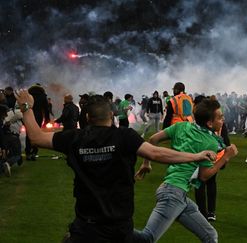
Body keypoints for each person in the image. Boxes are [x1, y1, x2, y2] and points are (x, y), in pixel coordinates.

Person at [14, 90, 217, 242]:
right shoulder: (124, 136)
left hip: (86, 228)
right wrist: (195, 155)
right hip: (119, 229)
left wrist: (26, 107)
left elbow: (36, 137)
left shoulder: (75, 138)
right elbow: (156, 153)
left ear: (87, 118)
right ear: (111, 117)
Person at [133, 98, 238, 243]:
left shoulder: (181, 126)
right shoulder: (210, 142)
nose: (223, 119)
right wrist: (225, 157)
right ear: (209, 123)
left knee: (210, 235)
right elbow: (204, 176)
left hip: (176, 193)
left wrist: (146, 163)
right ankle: (110, 228)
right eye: (220, 117)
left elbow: (153, 139)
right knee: (147, 238)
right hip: (173, 194)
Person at [26, 84, 50, 161]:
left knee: (28, 134)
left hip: (28, 115)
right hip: (38, 117)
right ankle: (34, 152)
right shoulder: (43, 96)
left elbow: (24, 107)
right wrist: (47, 119)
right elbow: (46, 108)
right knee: (36, 134)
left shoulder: (28, 95)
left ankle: (28, 152)